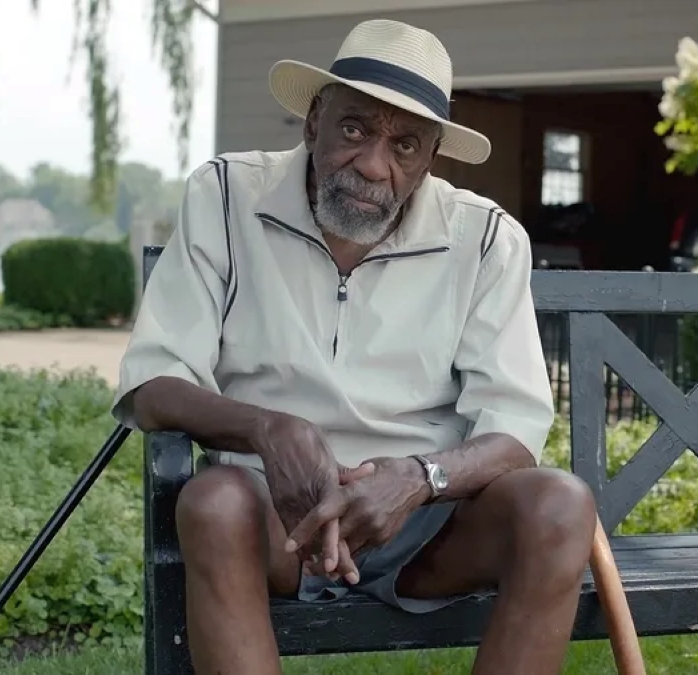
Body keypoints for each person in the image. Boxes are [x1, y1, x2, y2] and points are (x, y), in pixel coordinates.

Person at [112, 18, 597, 675]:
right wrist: (268, 429)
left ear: (430, 157)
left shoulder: (484, 238)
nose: (373, 165)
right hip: (274, 519)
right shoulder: (226, 196)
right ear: (314, 121)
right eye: (354, 129)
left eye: (405, 145)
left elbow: (513, 431)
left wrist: (420, 479)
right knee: (212, 499)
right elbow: (151, 383)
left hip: (427, 529)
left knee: (559, 503)